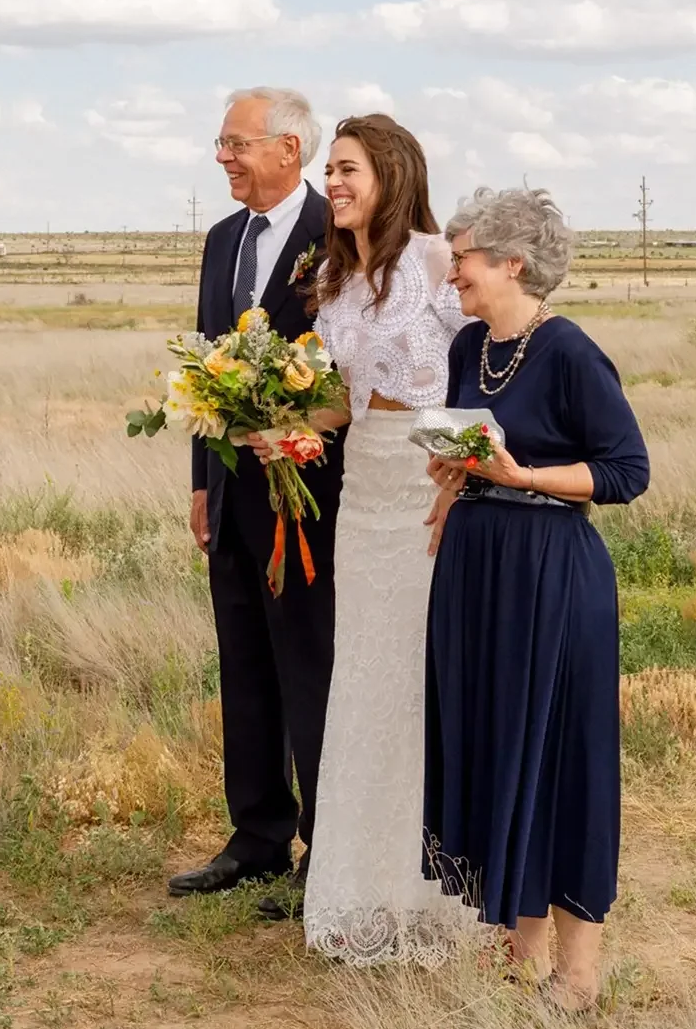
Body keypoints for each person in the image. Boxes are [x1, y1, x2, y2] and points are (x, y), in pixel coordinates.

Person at [422, 186, 650, 1009]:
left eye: (464, 261)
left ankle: (578, 974)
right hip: (477, 571)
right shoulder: (468, 349)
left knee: (559, 759)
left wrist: (524, 477)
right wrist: (452, 480)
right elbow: (466, 439)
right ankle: (520, 950)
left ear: (512, 263)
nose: (454, 276)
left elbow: (628, 472)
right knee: (496, 746)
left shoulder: (572, 353)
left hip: (552, 572)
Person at [296, 114, 478, 962]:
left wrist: (473, 467)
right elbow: (344, 399)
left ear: (393, 173)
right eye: (329, 171)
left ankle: (442, 896)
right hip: (361, 493)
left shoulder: (439, 263)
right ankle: (362, 888)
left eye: (347, 169)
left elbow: (493, 360)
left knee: (421, 677)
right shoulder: (334, 279)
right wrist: (273, 424)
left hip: (429, 486)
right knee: (364, 680)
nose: (332, 183)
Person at [168, 87, 343, 913]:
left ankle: (328, 851)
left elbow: (353, 376)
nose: (223, 157)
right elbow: (207, 370)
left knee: (309, 666)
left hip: (310, 497)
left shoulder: (338, 241)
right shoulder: (220, 240)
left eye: (237, 145)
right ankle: (259, 837)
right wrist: (204, 485)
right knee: (243, 661)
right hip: (234, 495)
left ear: (289, 150)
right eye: (221, 143)